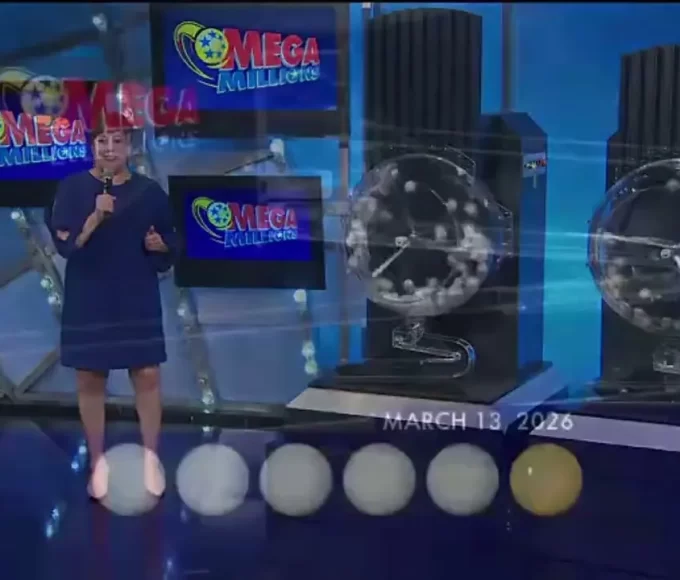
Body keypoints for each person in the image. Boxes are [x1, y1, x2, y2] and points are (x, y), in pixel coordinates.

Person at [50, 124, 176, 500]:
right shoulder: (71, 188)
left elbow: (170, 242)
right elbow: (66, 245)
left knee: (147, 375)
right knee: (90, 379)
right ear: (92, 146)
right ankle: (98, 463)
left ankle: (151, 460)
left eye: (117, 141)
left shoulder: (148, 191)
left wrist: (161, 246)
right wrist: (94, 217)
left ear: (129, 147)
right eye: (101, 141)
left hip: (135, 294)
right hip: (89, 295)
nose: (109, 148)